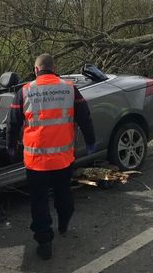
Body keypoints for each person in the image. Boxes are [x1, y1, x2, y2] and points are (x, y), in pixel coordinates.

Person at [6, 53, 96, 260]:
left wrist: (11, 147)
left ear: (36, 70)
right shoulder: (69, 89)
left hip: (35, 162)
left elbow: (12, 124)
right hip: (62, 159)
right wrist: (90, 141)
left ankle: (44, 241)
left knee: (38, 201)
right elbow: (85, 118)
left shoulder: (24, 92)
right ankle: (63, 222)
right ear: (54, 68)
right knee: (63, 194)